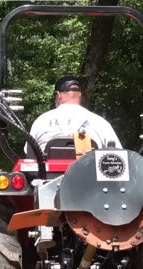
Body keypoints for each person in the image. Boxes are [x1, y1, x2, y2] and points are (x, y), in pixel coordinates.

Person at [28, 76, 123, 252]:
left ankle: (44, 229)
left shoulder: (41, 121)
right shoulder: (100, 122)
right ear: (80, 96)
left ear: (58, 95)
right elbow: (117, 158)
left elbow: (29, 157)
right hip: (95, 191)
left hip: (47, 184)